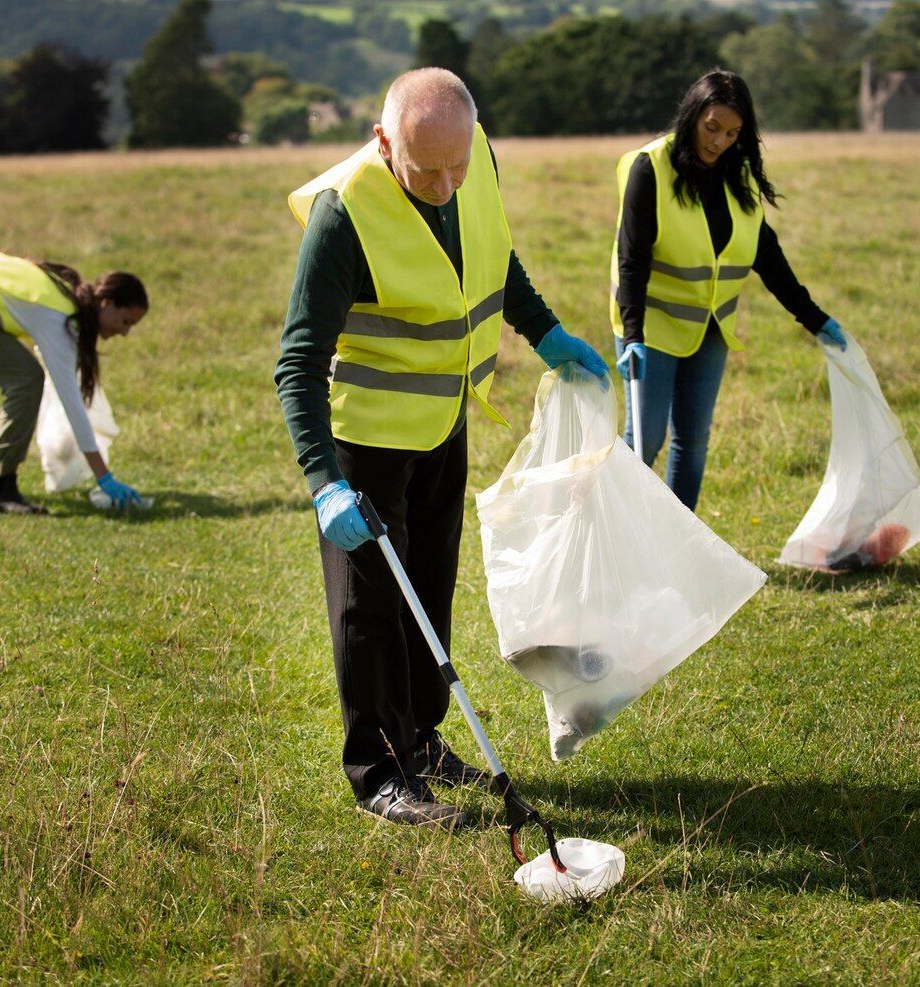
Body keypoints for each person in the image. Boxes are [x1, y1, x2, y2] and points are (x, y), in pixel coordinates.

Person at [274, 68, 608, 830]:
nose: (446, 184)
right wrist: (324, 482)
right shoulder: (343, 216)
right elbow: (296, 363)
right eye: (426, 170)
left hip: (442, 418)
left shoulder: (468, 160)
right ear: (381, 140)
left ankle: (422, 741)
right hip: (367, 443)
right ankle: (379, 772)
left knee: (428, 588)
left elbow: (493, 254)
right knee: (370, 609)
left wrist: (546, 332)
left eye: (457, 165)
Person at [611, 70, 846, 511]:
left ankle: (680, 547)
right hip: (651, 330)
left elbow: (767, 256)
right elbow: (632, 259)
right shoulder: (651, 168)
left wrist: (815, 319)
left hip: (711, 329)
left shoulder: (740, 178)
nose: (719, 142)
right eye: (712, 127)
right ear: (693, 116)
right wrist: (633, 333)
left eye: (733, 133)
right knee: (645, 441)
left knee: (693, 441)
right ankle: (621, 542)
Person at [0, 247, 149, 514]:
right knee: (27, 380)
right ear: (107, 303)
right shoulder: (59, 320)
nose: (125, 332)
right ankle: (2, 489)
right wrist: (104, 476)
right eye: (126, 321)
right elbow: (71, 403)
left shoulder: (65, 291)